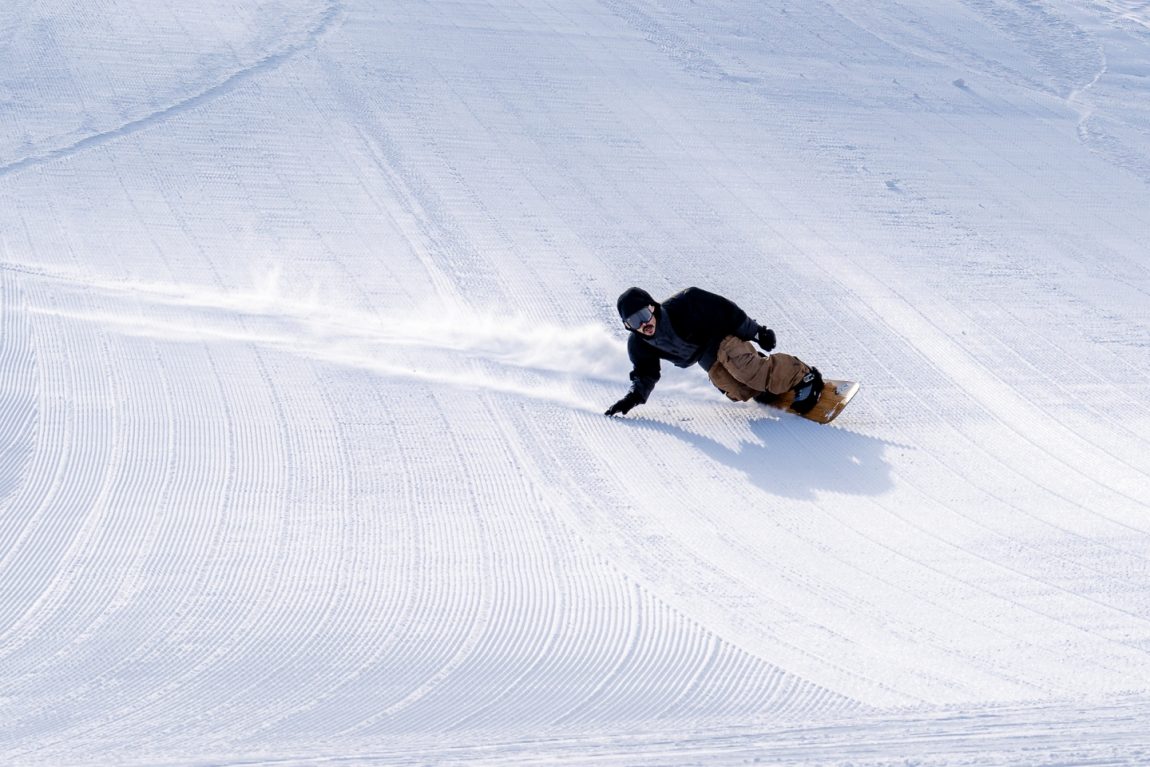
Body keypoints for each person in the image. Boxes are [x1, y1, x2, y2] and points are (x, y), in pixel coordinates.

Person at [605, 286, 823, 417]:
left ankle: (804, 376)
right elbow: (646, 373)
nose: (643, 324)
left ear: (653, 307)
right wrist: (633, 398)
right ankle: (765, 385)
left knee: (748, 370)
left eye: (643, 315)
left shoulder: (687, 303)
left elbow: (729, 313)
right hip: (704, 357)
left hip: (720, 337)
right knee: (740, 391)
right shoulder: (639, 344)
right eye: (633, 322)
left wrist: (757, 333)